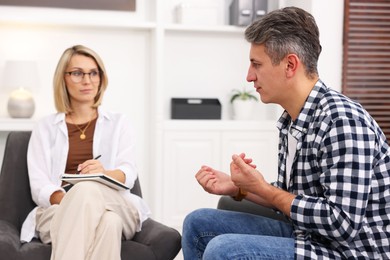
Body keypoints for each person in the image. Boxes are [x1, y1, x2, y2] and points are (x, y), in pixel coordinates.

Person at [182, 6, 390, 260]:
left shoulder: (342, 120)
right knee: (198, 224)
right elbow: (290, 200)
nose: (249, 77)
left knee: (224, 250)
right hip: (309, 235)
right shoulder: (292, 120)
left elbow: (341, 223)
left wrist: (263, 189)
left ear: (290, 64)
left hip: (352, 251)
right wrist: (239, 188)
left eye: (256, 64)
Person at [20, 45, 150, 260]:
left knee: (89, 190)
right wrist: (74, 201)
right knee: (109, 222)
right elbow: (39, 185)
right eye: (78, 73)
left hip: (116, 203)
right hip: (56, 209)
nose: (87, 80)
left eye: (93, 72)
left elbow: (128, 172)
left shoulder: (119, 123)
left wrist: (103, 173)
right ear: (63, 78)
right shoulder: (45, 127)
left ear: (101, 77)